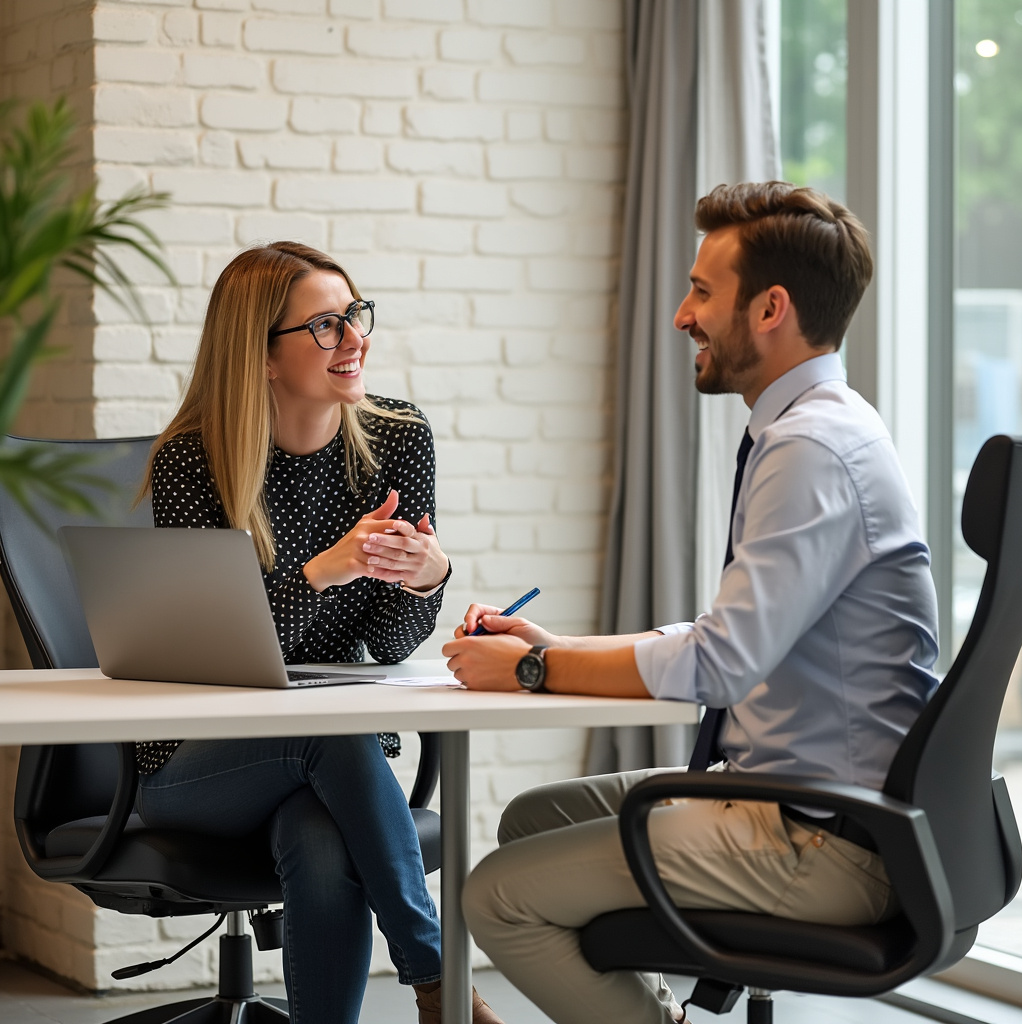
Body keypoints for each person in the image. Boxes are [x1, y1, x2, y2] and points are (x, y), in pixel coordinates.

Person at [442, 182, 940, 1024]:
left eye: (702, 291)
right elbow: (729, 637)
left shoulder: (810, 448)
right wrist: (555, 648)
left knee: (495, 897)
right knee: (534, 818)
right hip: (805, 802)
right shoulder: (824, 424)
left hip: (823, 840)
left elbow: (718, 665)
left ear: (771, 308)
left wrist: (532, 670)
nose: (682, 316)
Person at [137, 241, 503, 1024]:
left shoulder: (397, 438)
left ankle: (429, 990)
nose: (355, 339)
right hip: (196, 759)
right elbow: (219, 658)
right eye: (326, 326)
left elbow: (392, 644)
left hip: (331, 764)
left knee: (323, 836)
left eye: (355, 316)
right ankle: (438, 980)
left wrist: (426, 577)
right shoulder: (192, 462)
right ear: (263, 356)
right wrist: (324, 570)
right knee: (330, 728)